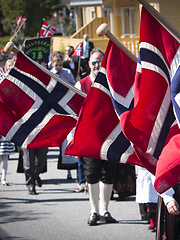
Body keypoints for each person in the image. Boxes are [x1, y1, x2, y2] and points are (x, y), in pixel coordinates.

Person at [75, 48, 118, 226]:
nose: (96, 65)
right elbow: (76, 115)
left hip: (109, 137)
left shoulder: (112, 83)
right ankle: (93, 211)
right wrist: (74, 139)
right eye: (93, 62)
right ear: (89, 64)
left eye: (100, 61)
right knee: (91, 174)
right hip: (90, 138)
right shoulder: (82, 84)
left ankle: (104, 210)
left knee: (108, 175)